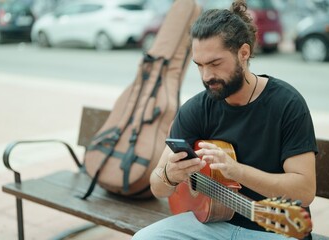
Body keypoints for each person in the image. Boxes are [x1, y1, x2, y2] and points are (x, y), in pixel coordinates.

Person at [133, 0, 318, 239]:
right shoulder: (196, 109)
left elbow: (304, 191)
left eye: (215, 63)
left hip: (275, 227)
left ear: (243, 53)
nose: (207, 75)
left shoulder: (287, 104)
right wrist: (169, 175)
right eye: (199, 65)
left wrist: (237, 172)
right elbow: (157, 185)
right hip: (210, 225)